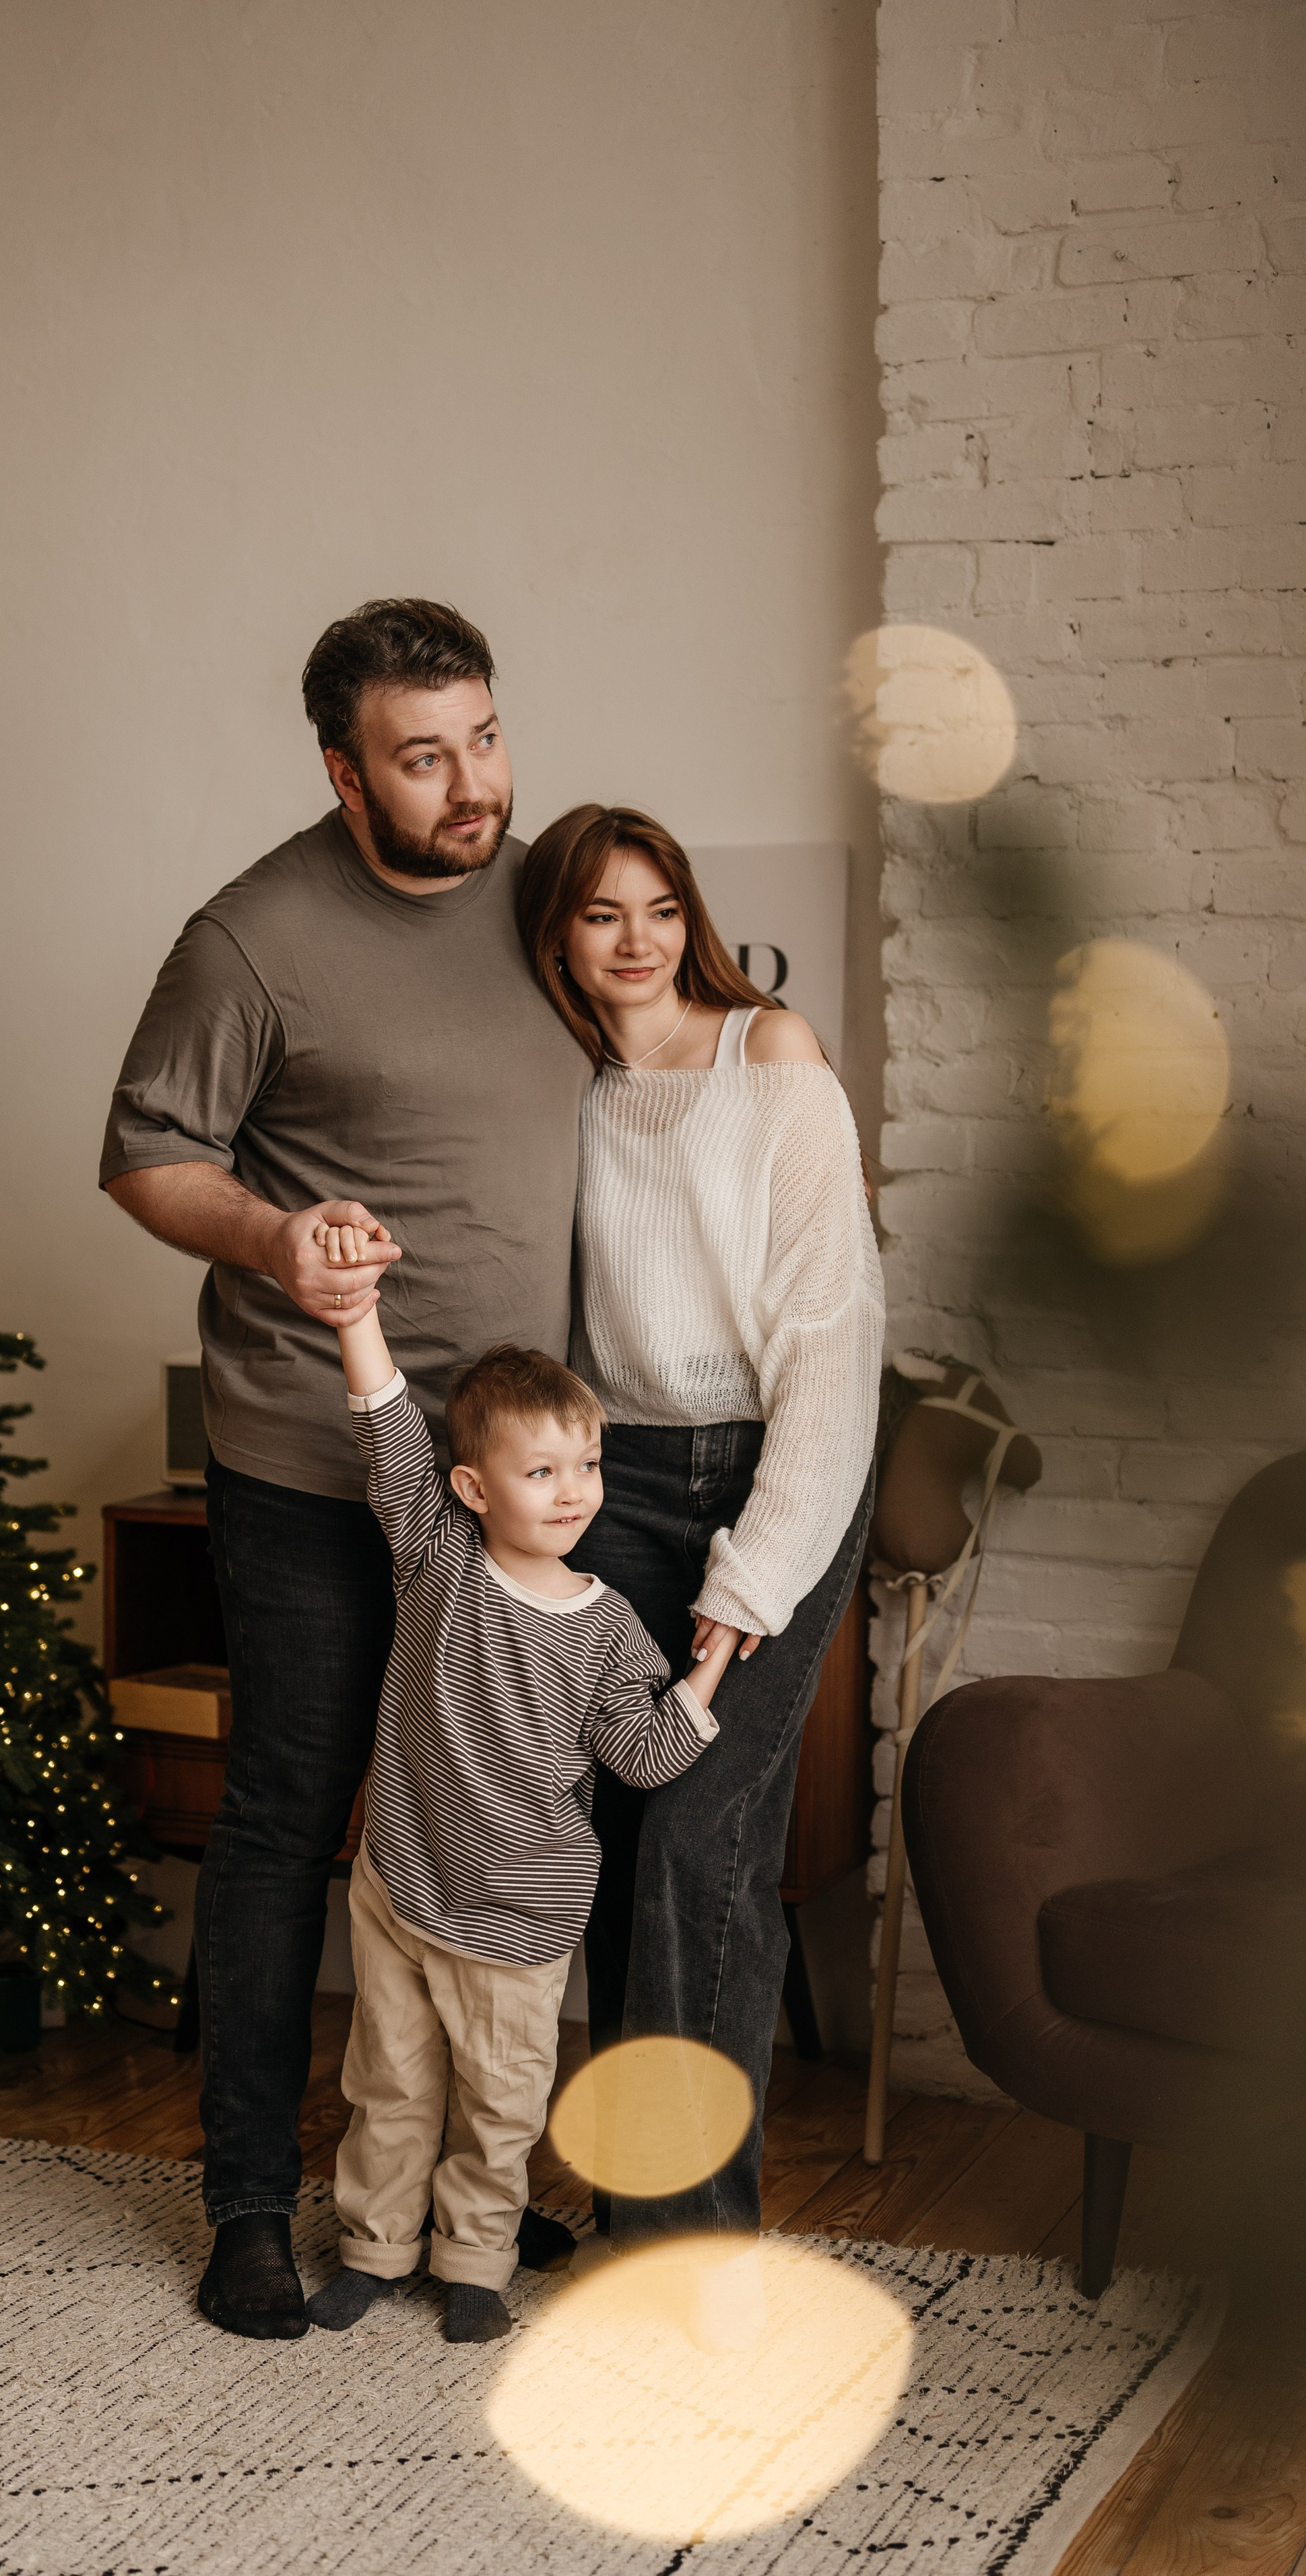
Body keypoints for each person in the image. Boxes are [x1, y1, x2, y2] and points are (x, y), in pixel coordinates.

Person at [98, 599, 594, 2340]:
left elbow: (683, 1029)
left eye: (483, 736)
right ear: (340, 767)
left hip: (512, 1491)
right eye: (421, 754)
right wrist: (268, 1236)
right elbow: (145, 1156)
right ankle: (247, 2203)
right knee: (292, 1816)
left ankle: (471, 2191)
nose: (471, 784)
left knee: (493, 1831)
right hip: (316, 1465)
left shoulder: (549, 896)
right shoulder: (252, 938)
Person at [515, 804, 882, 2294]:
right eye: (602, 914)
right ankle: (636, 2198)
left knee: (697, 1849)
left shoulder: (768, 1054)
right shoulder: (572, 1090)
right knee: (614, 1852)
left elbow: (830, 1339)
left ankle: (693, 2251)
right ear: (557, 938)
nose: (639, 939)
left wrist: (748, 1582)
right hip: (618, 1488)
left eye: (660, 906)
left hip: (773, 1470)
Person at [300, 1237, 736, 2342]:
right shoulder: (434, 1555)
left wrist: (713, 1661)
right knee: (389, 2088)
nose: (572, 1492)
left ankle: (478, 2263)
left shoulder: (608, 1625)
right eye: (541, 1472)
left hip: (522, 1919)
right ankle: (374, 2248)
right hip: (402, 1885)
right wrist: (354, 1312)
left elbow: (642, 1753)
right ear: (471, 1488)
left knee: (497, 2109)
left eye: (585, 1466)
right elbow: (386, 1425)